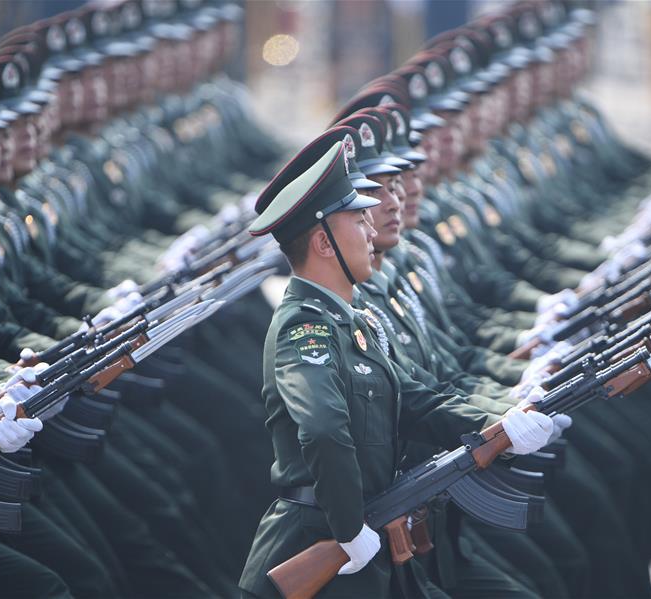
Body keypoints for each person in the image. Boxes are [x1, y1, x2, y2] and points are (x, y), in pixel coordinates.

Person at [238, 135, 557, 598]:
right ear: (324, 242)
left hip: (371, 541)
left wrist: (499, 423)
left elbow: (412, 399)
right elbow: (323, 430)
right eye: (358, 220)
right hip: (325, 547)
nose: (371, 231)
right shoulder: (304, 327)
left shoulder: (352, 321)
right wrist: (349, 529)